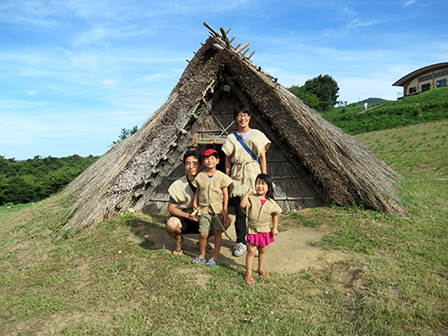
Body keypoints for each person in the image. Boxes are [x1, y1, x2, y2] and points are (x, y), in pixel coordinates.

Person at [222, 104, 271, 257]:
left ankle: (254, 242)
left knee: (254, 211)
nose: (242, 118)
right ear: (235, 119)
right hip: (237, 176)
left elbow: (262, 157)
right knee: (240, 212)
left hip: (253, 174)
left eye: (245, 115)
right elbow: (228, 160)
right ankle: (241, 242)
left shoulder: (257, 135)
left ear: (249, 117)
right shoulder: (231, 138)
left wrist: (264, 178)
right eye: (239, 115)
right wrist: (229, 179)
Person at [165, 150, 214, 255]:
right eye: (188, 163)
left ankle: (204, 240)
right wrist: (188, 216)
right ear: (184, 166)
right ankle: (179, 241)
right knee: (171, 225)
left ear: (201, 165)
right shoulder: (177, 185)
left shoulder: (209, 182)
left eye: (195, 163)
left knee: (224, 223)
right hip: (185, 217)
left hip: (203, 216)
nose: (191, 166)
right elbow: (171, 208)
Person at [191, 149, 233, 267]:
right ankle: (202, 254)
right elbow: (198, 190)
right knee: (203, 233)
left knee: (217, 232)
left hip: (217, 209)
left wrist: (225, 209)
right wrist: (195, 202)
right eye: (207, 158)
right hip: (204, 209)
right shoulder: (200, 176)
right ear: (203, 161)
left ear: (218, 161)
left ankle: (216, 255)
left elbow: (225, 193)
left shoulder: (221, 176)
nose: (210, 161)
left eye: (212, 158)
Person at [240, 174, 281, 285]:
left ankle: (261, 269)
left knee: (262, 250)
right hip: (253, 230)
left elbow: (275, 215)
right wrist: (247, 193)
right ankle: (248, 274)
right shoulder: (251, 198)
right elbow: (243, 205)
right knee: (251, 251)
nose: (260, 186)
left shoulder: (271, 202)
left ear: (268, 187)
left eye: (263, 184)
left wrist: (275, 228)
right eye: (258, 183)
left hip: (265, 230)